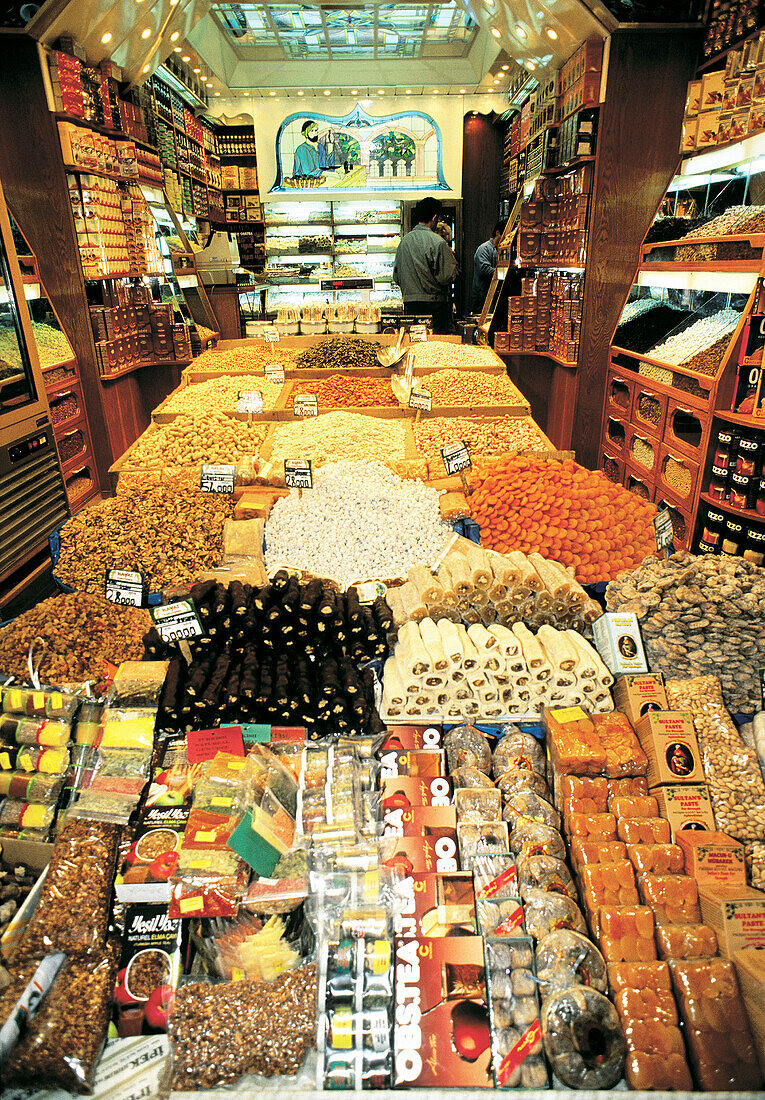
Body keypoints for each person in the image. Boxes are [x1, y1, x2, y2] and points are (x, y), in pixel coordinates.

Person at [392, 197, 458, 334]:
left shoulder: (404, 242)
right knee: (435, 347)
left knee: (414, 344)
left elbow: (396, 277)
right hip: (435, 307)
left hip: (410, 306)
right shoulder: (438, 242)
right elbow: (446, 277)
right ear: (434, 217)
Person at [470, 221, 504, 313]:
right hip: (482, 296)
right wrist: (504, 273)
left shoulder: (499, 249)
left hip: (492, 295)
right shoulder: (484, 248)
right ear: (497, 233)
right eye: (504, 235)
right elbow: (484, 269)